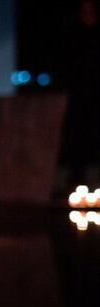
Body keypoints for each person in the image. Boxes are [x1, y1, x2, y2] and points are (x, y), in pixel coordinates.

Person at [63, 0, 100, 186]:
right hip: (79, 97)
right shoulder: (75, 37)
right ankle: (77, 177)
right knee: (79, 137)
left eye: (89, 10)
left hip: (95, 95)